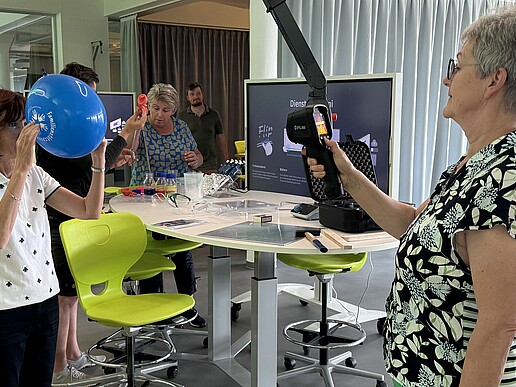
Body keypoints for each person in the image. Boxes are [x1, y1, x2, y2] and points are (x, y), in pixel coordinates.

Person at [306, 6, 516, 387]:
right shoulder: (476, 160)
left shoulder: (504, 176)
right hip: (419, 372)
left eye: (458, 66)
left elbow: (500, 324)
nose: (445, 79)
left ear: (493, 81)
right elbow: (412, 224)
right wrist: (349, 177)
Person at [35, 62, 147, 383]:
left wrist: (116, 152)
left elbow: (86, 170)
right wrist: (124, 137)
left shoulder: (64, 131)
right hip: (61, 222)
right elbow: (85, 168)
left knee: (70, 299)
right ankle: (58, 368)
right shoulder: (59, 131)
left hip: (71, 220)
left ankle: (73, 353)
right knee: (63, 300)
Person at [0, 89, 106, 387]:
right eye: (13, 124)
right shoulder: (27, 171)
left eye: (24, 120)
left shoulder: (37, 174)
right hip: (6, 308)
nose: (25, 130)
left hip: (44, 297)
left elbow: (88, 211)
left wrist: (97, 162)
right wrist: (20, 169)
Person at [127, 82, 206, 328]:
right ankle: (154, 309)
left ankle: (188, 305)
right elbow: (131, 149)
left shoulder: (182, 127)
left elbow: (198, 156)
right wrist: (138, 125)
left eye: (165, 109)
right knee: (151, 251)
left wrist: (196, 159)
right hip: (146, 200)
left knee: (182, 250)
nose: (159, 115)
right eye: (155, 108)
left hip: (177, 200)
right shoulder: (143, 127)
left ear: (173, 110)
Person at [177, 81, 229, 173]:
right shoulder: (181, 116)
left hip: (210, 166)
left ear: (202, 95)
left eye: (198, 93)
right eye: (192, 94)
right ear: (187, 97)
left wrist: (227, 162)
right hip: (189, 167)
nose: (196, 97)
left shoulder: (214, 115)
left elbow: (221, 138)